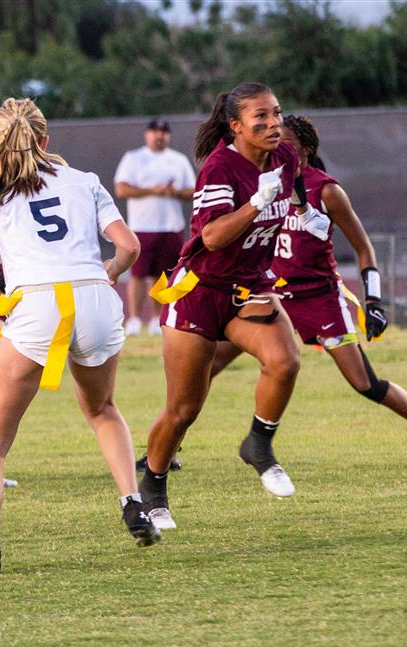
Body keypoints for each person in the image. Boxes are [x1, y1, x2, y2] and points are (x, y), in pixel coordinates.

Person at [0, 97, 160, 575]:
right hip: (94, 298)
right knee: (101, 408)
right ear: (46, 140)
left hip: (38, 305)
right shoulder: (84, 180)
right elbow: (129, 247)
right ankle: (132, 502)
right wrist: (106, 272)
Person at [208, 115, 407, 464]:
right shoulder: (261, 183)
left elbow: (364, 249)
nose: (275, 148)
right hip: (270, 295)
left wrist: (373, 300)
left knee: (366, 384)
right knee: (205, 365)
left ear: (305, 150)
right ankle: (166, 451)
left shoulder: (327, 190)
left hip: (318, 298)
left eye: (285, 143)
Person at [138, 82, 331, 531]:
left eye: (276, 113)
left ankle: (258, 445)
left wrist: (303, 212)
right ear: (235, 125)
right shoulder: (220, 167)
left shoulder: (283, 155)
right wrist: (256, 204)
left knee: (285, 361)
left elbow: (294, 182)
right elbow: (212, 237)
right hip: (201, 290)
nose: (272, 123)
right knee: (184, 409)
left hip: (249, 285)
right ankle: (153, 483)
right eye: (260, 117)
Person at [114, 119, 195, 336]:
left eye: (163, 132)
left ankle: (156, 317)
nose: (159, 136)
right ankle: (133, 318)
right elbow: (121, 189)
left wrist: (174, 192)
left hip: (170, 226)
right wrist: (152, 190)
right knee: (138, 275)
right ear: (147, 134)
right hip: (142, 226)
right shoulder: (134, 158)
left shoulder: (177, 160)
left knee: (164, 275)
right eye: (155, 132)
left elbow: (192, 190)